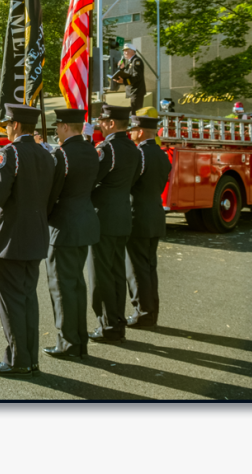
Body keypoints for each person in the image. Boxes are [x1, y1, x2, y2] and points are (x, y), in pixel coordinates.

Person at [0, 104, 55, 377]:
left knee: (10, 302)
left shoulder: (9, 153)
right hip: (35, 235)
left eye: (8, 124)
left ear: (17, 126)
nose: (7, 128)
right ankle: (29, 358)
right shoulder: (47, 154)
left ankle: (17, 360)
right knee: (27, 299)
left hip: (9, 238)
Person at [42, 109, 101, 360]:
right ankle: (79, 340)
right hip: (85, 221)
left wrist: (42, 217)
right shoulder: (91, 149)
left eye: (58, 126)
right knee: (76, 284)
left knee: (62, 286)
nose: (56, 131)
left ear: (66, 127)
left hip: (64, 225)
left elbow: (51, 193)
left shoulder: (62, 154)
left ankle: (68, 342)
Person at [88, 105, 143, 344]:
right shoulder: (134, 149)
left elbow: (91, 179)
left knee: (101, 275)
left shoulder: (107, 148)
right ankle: (117, 321)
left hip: (104, 218)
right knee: (117, 272)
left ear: (111, 123)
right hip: (123, 216)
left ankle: (108, 324)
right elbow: (134, 179)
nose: (100, 124)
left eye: (102, 121)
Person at [125, 115, 173, 329]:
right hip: (155, 213)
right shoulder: (162, 155)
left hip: (139, 215)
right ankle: (151, 310)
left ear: (141, 131)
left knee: (137, 268)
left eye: (133, 130)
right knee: (150, 266)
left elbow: (130, 183)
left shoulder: (139, 154)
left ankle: (143, 311)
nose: (130, 133)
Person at [113, 43, 147, 113]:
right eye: (124, 50)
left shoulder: (137, 61)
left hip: (136, 92)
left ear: (132, 51)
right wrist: (122, 68)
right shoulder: (131, 62)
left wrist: (124, 81)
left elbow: (137, 77)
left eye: (126, 50)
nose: (124, 52)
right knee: (134, 113)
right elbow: (128, 74)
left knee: (136, 114)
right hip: (133, 92)